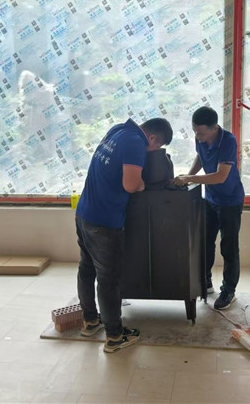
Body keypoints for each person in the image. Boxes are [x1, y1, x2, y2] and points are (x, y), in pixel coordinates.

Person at [76, 117, 173, 353]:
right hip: (104, 221)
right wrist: (142, 184)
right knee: (108, 280)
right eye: (156, 147)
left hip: (84, 213)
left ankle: (90, 321)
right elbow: (131, 185)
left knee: (87, 268)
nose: (152, 151)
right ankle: (114, 336)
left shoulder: (118, 130)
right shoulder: (135, 143)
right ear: (152, 138)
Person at [174, 106, 244, 310]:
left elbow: (221, 176)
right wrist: (188, 176)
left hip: (230, 201)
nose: (197, 136)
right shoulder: (201, 136)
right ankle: (205, 282)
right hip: (211, 199)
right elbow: (200, 157)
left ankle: (228, 291)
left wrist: (189, 178)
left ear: (215, 128)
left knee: (229, 247)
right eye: (195, 131)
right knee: (205, 243)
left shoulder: (228, 141)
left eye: (202, 133)